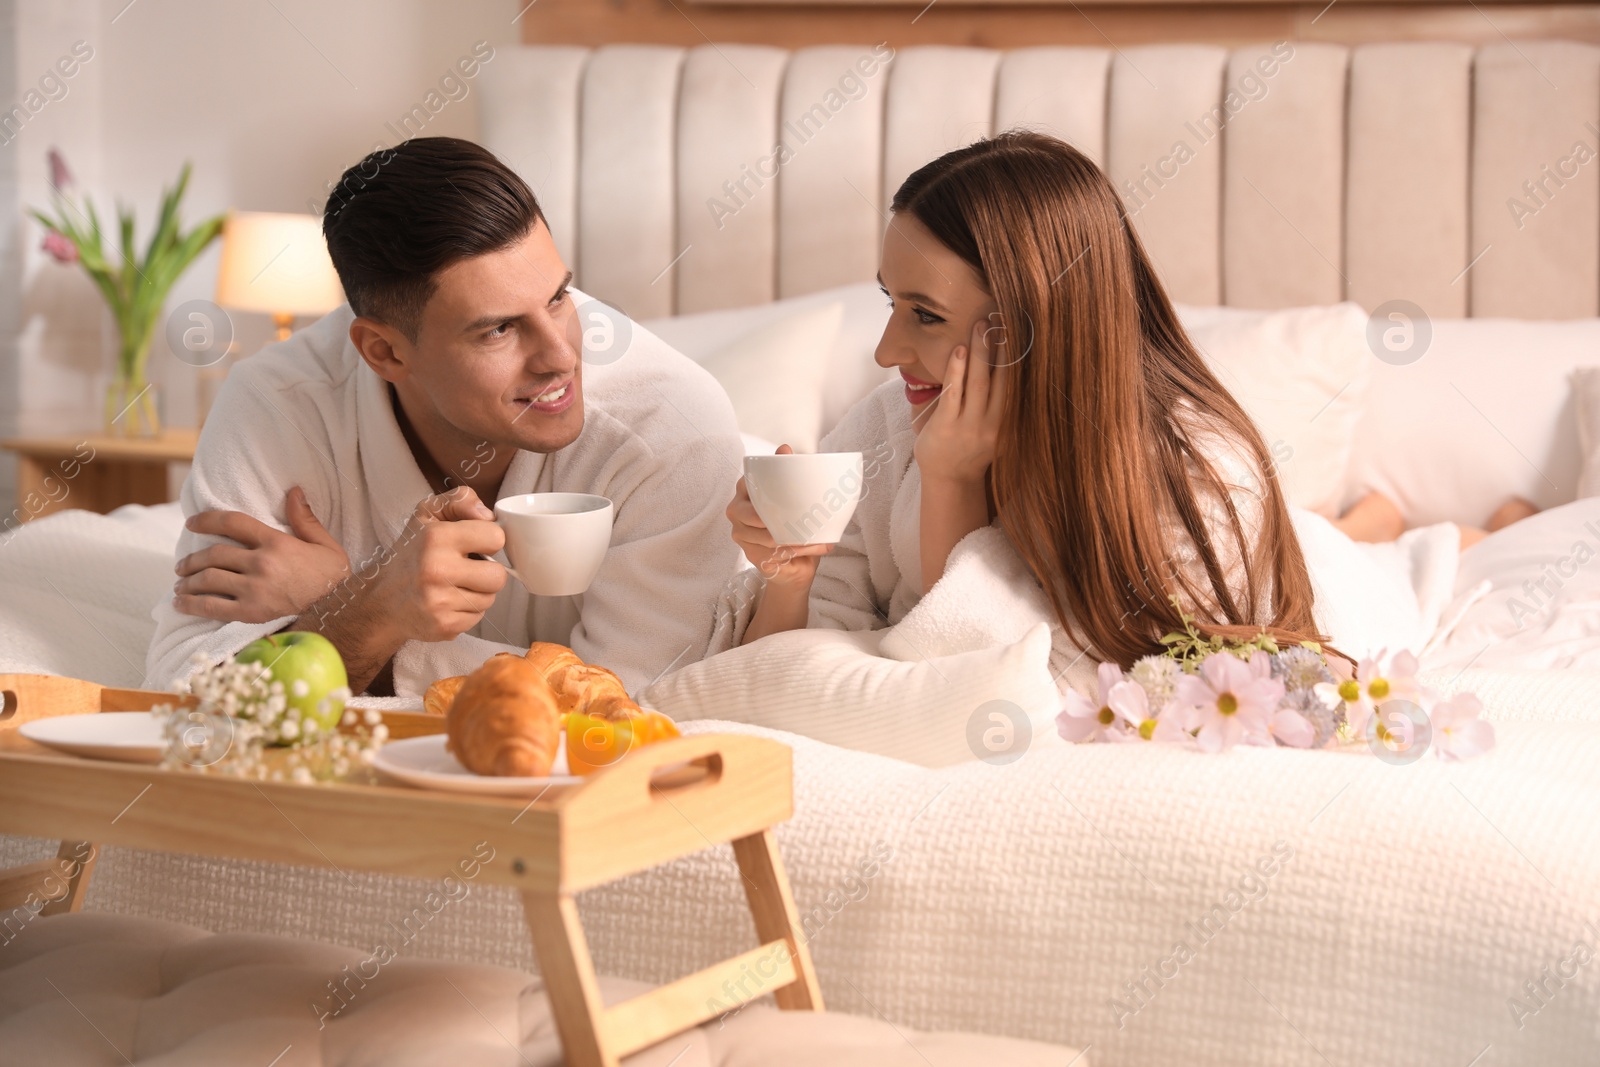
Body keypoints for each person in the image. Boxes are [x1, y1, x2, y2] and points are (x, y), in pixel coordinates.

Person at [147, 136, 743, 697]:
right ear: (384, 351)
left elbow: (626, 705)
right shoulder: (277, 407)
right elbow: (184, 691)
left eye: (559, 298)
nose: (561, 357)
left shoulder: (676, 430)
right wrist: (376, 609)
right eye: (499, 329)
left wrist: (352, 606)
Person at [720, 131, 1323, 677]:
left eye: (925, 315)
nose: (885, 352)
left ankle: (1372, 520)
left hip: (1317, 564)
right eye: (890, 304)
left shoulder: (1198, 478)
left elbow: (1012, 693)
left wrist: (951, 482)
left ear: (1033, 325)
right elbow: (770, 672)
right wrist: (788, 581)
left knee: (1333, 542)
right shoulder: (887, 423)